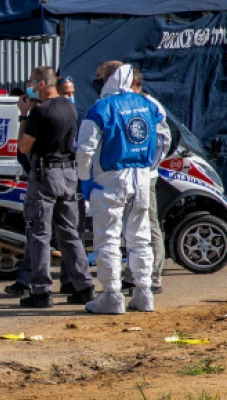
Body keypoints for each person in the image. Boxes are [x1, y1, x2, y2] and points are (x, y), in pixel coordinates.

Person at [77, 62, 168, 314]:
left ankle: (111, 294)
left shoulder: (101, 108)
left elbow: (85, 148)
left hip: (110, 178)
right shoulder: (149, 105)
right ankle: (144, 292)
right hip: (141, 177)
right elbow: (164, 139)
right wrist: (150, 167)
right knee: (140, 238)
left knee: (107, 238)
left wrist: (84, 177)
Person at [15, 66, 95, 308]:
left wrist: (23, 116)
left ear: (41, 84)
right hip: (68, 174)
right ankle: (84, 285)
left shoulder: (39, 111)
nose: (29, 85)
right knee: (70, 233)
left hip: (45, 175)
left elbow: (24, 147)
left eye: (31, 81)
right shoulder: (69, 106)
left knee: (39, 234)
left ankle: (41, 291)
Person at [122, 67, 170, 295]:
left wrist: (148, 168)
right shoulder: (123, 104)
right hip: (124, 176)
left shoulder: (150, 105)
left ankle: (153, 277)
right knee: (131, 227)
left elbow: (163, 140)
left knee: (148, 224)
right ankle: (133, 274)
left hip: (144, 176)